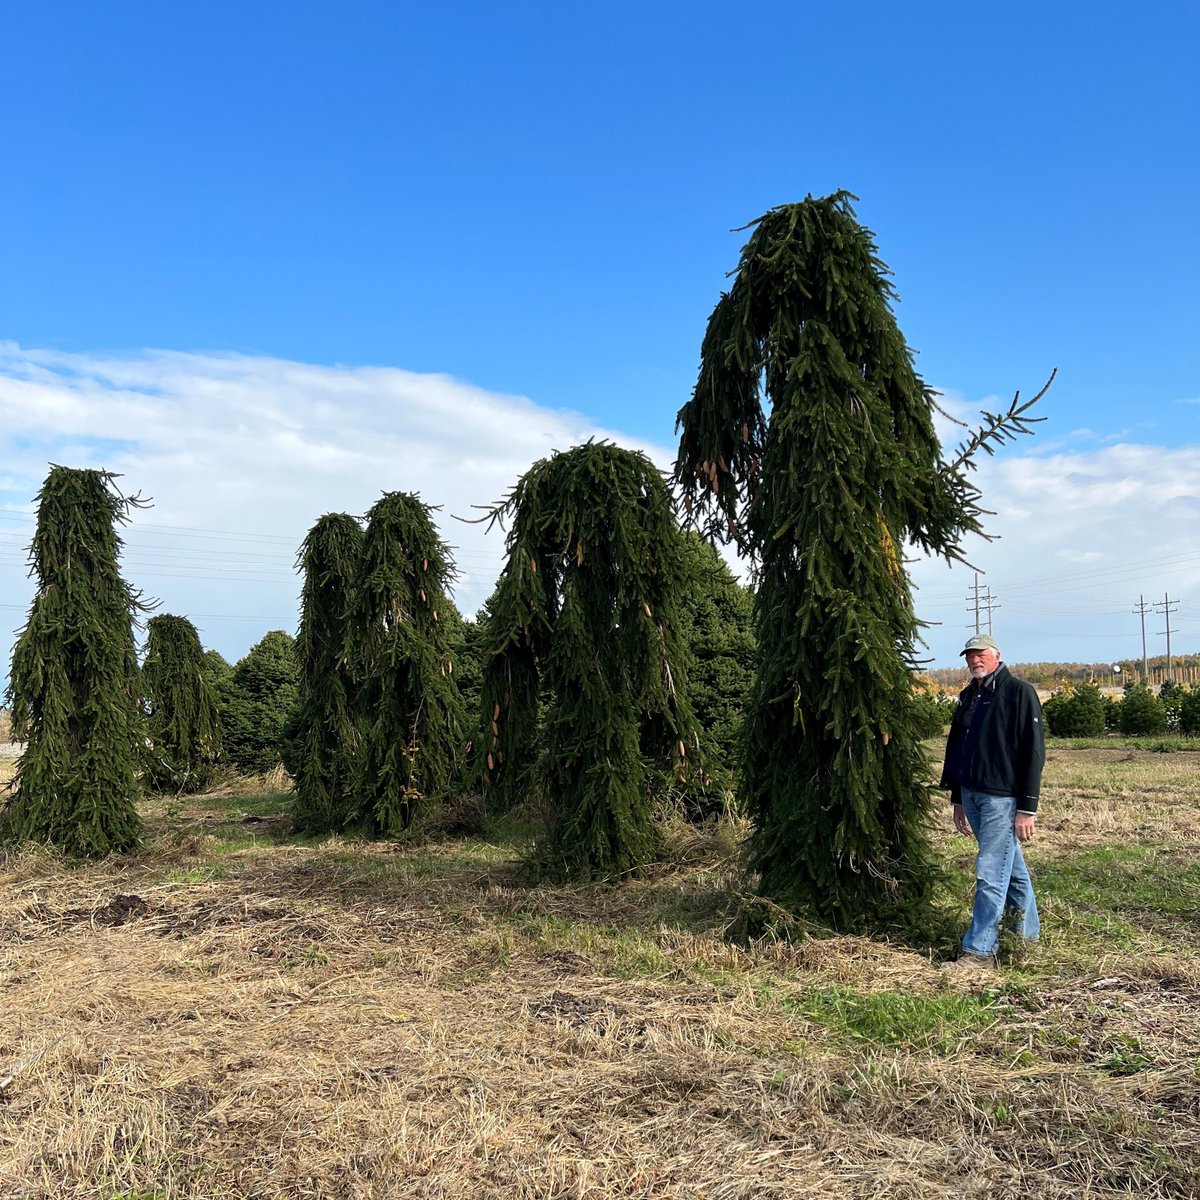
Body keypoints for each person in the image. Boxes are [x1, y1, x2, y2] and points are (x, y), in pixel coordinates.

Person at [939, 634, 1043, 970]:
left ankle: (980, 950)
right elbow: (959, 749)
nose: (974, 660)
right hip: (971, 793)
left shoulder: (1018, 693)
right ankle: (1026, 936)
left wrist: (1027, 807)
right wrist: (957, 796)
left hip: (1001, 797)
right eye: (969, 655)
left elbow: (1033, 752)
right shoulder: (969, 695)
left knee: (989, 872)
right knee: (1009, 868)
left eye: (980, 654)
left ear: (997, 654)